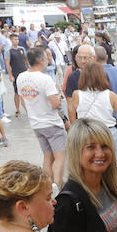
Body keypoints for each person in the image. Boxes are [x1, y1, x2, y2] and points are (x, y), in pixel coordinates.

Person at [17, 47, 67, 185]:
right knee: (59, 157)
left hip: (36, 123)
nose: (48, 61)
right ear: (40, 60)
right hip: (51, 123)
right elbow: (55, 104)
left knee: (47, 156)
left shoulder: (21, 77)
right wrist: (58, 94)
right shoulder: (45, 79)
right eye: (46, 58)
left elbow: (23, 100)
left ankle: (47, 185)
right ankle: (57, 185)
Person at [69, 62, 117, 129]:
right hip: (107, 131)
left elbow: (72, 116)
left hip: (86, 132)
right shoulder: (110, 95)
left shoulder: (76, 95)